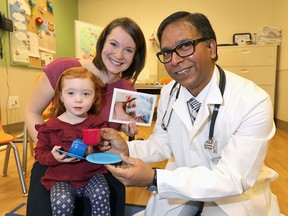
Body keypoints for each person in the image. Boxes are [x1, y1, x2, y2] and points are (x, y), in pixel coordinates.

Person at [100, 11, 282, 216]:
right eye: (167, 52)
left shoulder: (253, 101)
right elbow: (161, 143)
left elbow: (233, 177)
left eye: (185, 46)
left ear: (211, 48)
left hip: (234, 194)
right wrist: (127, 149)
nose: (175, 60)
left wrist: (154, 179)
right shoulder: (169, 92)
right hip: (183, 178)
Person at [25, 17, 146, 216]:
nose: (118, 55)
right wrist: (49, 151)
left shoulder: (127, 90)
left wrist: (125, 128)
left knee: (109, 196)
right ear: (102, 43)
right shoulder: (64, 69)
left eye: (128, 50)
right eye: (113, 44)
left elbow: (112, 134)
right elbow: (32, 111)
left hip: (97, 163)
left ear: (136, 56)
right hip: (57, 163)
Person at [35, 67, 110, 215]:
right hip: (60, 179)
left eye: (86, 94)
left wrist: (96, 149)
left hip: (91, 176)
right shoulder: (50, 127)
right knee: (62, 201)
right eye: (71, 93)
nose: (78, 99)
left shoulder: (97, 124)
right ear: (61, 96)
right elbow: (39, 153)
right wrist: (53, 157)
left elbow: (103, 150)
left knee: (101, 193)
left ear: (94, 97)